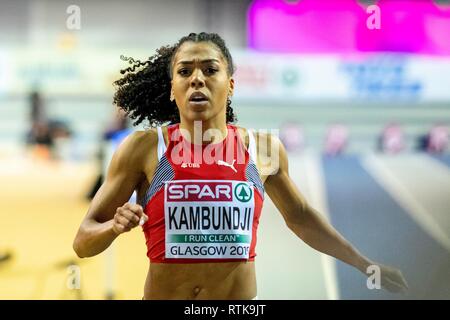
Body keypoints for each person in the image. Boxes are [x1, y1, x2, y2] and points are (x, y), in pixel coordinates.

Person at [73, 32, 408, 300]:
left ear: (230, 84)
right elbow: (83, 241)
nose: (197, 80)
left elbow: (302, 218)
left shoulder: (262, 149)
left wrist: (365, 265)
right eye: (185, 71)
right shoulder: (143, 149)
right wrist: (112, 228)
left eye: (210, 69)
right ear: (173, 89)